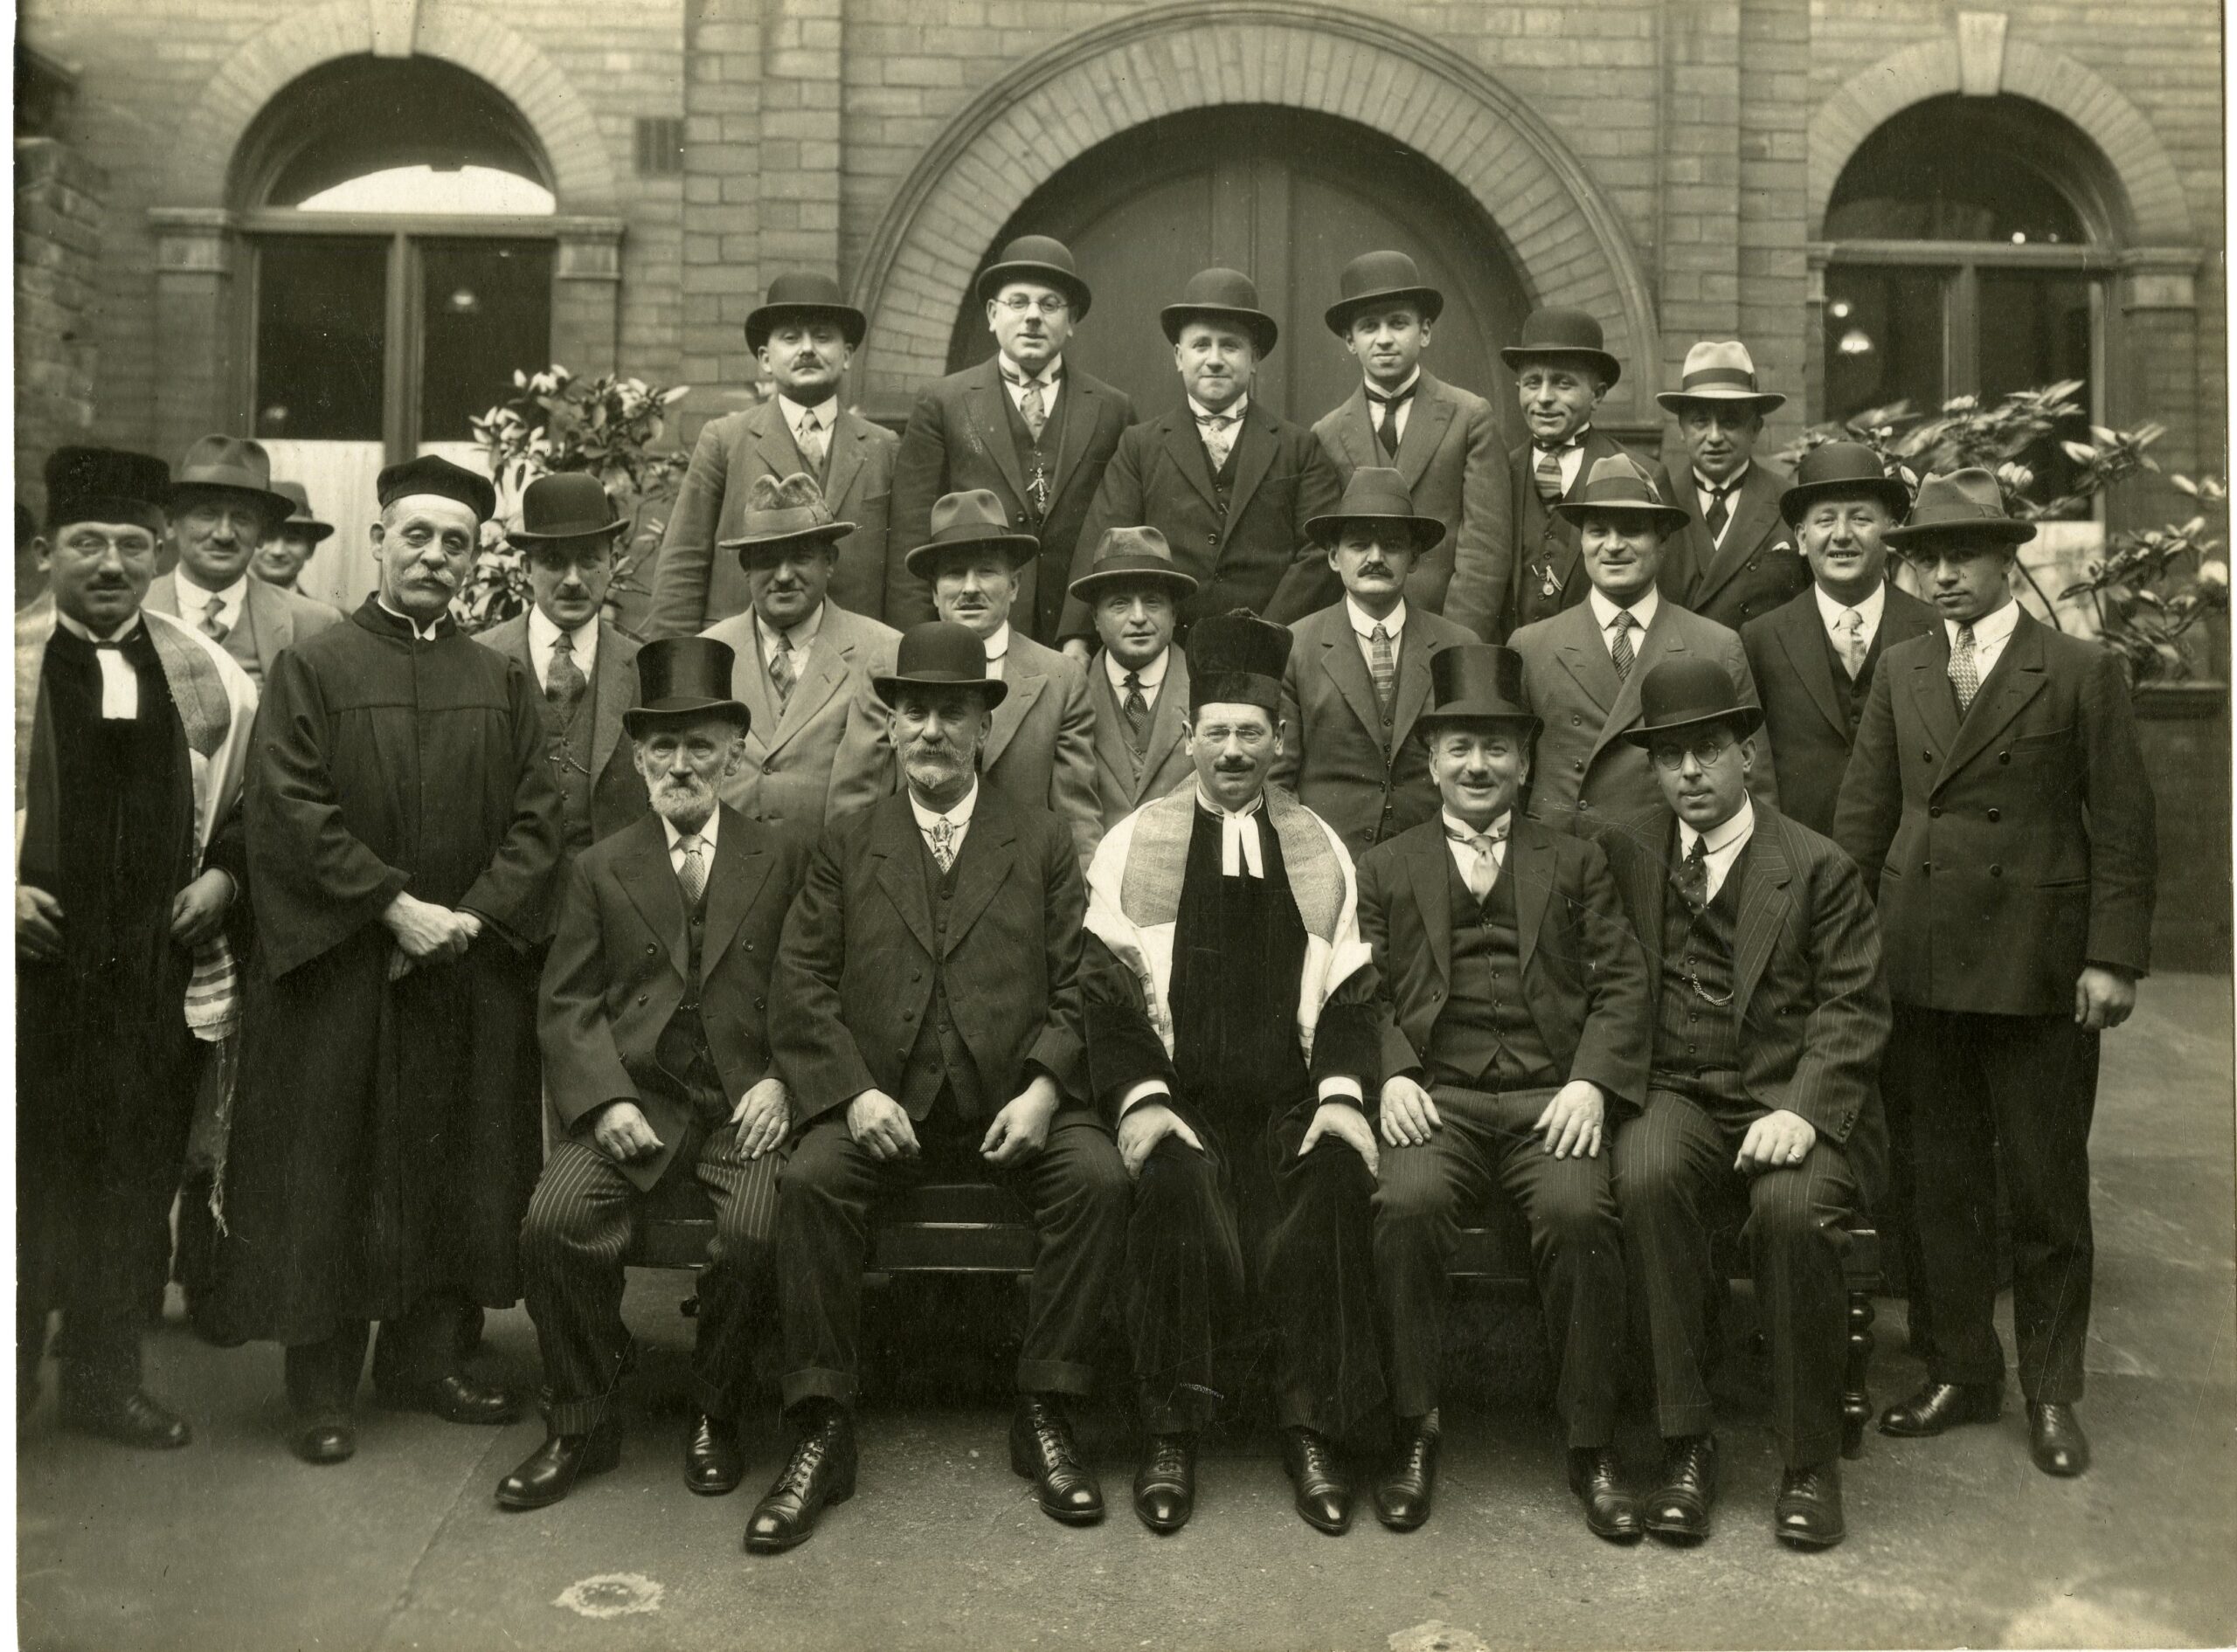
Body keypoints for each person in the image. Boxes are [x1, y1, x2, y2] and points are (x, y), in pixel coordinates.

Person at [748, 621, 1131, 1552]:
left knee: (1097, 1181)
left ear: (981, 730)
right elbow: (798, 984)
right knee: (809, 1182)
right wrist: (852, 1096)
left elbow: (1087, 978)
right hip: (884, 1106)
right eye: (912, 711)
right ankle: (821, 1425)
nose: (928, 730)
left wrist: (1045, 1088)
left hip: (1012, 1105)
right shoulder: (847, 841)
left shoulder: (1039, 840)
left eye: (949, 712)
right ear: (891, 726)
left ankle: (1044, 1407)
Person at [211, 454, 563, 1467]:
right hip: (345, 968)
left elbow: (541, 817)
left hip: (459, 966)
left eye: (456, 542)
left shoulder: (497, 674)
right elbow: (286, 806)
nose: (436, 556)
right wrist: (392, 907)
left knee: (451, 1157)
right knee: (332, 1163)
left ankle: (427, 1358)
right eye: (417, 534)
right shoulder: (315, 666)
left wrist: (467, 919)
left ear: (473, 558)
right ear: (379, 541)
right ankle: (321, 1384)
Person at [1834, 467, 2157, 1481]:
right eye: (1924, 556)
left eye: (1960, 554)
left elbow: (2125, 825)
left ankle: (2050, 1391)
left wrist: (2110, 957)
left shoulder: (2079, 668)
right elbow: (1863, 816)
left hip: (2035, 965)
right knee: (1936, 1183)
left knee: (2044, 1185)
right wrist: (1844, 950)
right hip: (1917, 956)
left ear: (2006, 557)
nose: (1940, 574)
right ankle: (1959, 1369)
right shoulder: (1903, 668)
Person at [1082, 612, 1384, 1537]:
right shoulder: (1135, 844)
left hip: (1289, 1101)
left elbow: (1350, 993)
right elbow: (1106, 993)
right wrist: (1145, 1100)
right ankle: (1171, 1430)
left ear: (1279, 743)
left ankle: (1311, 1430)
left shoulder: (1318, 846)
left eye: (1251, 732)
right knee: (1171, 1185)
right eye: (1215, 731)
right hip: (1186, 1100)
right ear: (1187, 741)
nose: (1233, 749)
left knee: (1333, 1178)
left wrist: (1337, 1097)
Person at [498, 638, 813, 1510]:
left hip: (741, 1106)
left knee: (755, 1234)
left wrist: (783, 1080)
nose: (682, 765)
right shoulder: (599, 865)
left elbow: (813, 983)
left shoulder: (780, 857)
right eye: (663, 748)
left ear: (734, 753)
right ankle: (582, 1417)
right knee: (551, 1222)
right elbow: (567, 1003)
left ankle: (715, 1409)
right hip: (636, 1102)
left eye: (701, 745)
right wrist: (600, 1101)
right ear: (638, 759)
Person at [1358, 644, 1649, 1538]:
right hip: (1436, 1098)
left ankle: (1588, 1442)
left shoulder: (1573, 859)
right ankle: (1415, 1425)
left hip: (1544, 1099)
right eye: (1457, 748)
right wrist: (1394, 1068)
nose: (1476, 766)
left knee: (1578, 1216)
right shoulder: (1387, 863)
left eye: (1495, 747)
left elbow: (1622, 982)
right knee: (1403, 1205)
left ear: (1524, 761)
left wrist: (1593, 1083)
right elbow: (1352, 984)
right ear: (1430, 762)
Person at [1598, 659, 1889, 1551]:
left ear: (1746, 756)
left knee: (1792, 1210)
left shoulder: (1815, 868)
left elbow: (1852, 1009)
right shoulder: (1628, 852)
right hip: (1678, 1090)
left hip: (1787, 1093)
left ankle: (1806, 1461)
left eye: (1708, 752)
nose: (1689, 773)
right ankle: (1687, 1442)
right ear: (1651, 769)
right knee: (1644, 1176)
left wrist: (1801, 1108)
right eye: (1671, 757)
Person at [15, 446, 258, 1448]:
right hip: (32, 983)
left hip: (151, 976)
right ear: (45, 551)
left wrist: (224, 875)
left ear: (157, 550)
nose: (110, 564)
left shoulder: (212, 679)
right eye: (86, 544)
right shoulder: (13, 661)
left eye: (128, 543)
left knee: (132, 1179)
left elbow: (249, 804)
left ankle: (108, 1380)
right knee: (23, 1182)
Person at [1059, 268, 1343, 642]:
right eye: (1200, 345)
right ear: (1179, 356)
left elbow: (1320, 552)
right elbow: (1103, 541)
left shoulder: (1299, 447)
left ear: (1254, 358)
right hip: (1165, 651)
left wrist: (1265, 633)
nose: (1214, 359)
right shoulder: (1140, 446)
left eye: (1230, 346)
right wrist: (1076, 638)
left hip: (1271, 650)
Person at [1510, 455, 1776, 833]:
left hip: (1671, 868)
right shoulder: (1532, 646)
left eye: (1632, 530)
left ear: (1662, 541)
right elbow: (1509, 783)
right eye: (1598, 531)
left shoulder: (1716, 645)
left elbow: (1755, 786)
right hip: (1564, 864)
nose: (1613, 546)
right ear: (1581, 541)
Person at [890, 237, 1134, 640]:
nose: (1033, 317)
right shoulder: (944, 402)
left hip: (1073, 639)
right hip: (968, 633)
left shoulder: (1113, 409)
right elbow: (911, 535)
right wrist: (921, 643)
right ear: (991, 314)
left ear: (1071, 321)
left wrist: (1081, 638)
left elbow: (1117, 534)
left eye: (1050, 304)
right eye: (1018, 303)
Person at [648, 274, 898, 634]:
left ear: (846, 356)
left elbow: (902, 579)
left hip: (852, 659)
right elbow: (683, 564)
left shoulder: (883, 446)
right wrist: (681, 672)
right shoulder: (725, 440)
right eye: (791, 338)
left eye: (823, 336)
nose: (808, 349)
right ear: (766, 359)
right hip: (740, 660)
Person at [1273, 467, 1475, 859]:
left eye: (1393, 546)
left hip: (1434, 859)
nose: (1376, 558)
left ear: (1414, 559)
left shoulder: (1456, 646)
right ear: (1334, 557)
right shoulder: (1296, 646)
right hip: (1327, 858)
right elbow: (1278, 781)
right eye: (1360, 545)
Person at [1310, 252, 1512, 639]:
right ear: (1350, 341)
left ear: (1425, 331)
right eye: (1369, 327)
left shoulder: (1469, 416)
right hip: (1361, 635)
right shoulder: (1327, 432)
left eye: (1398, 323)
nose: (1384, 338)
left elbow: (1485, 549)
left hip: (1446, 631)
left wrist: (1456, 641)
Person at [1739, 441, 1935, 840]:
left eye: (1861, 519)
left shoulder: (1933, 628)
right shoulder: (1760, 638)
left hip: (1910, 867)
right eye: (1825, 521)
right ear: (1800, 537)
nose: (1842, 536)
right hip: (1799, 861)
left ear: (1891, 532)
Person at [900, 488, 1101, 866]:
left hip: (1022, 885)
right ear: (933, 590)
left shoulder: (1061, 678)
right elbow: (860, 803)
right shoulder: (890, 668)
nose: (971, 588)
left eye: (987, 571)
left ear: (1015, 585)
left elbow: (1076, 815)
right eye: (955, 573)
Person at [473, 472, 649, 885]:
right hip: (505, 905)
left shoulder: (643, 665)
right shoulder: (480, 659)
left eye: (588, 559)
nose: (572, 579)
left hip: (613, 903)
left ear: (612, 563)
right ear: (526, 566)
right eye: (554, 561)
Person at [699, 473, 898, 831]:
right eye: (767, 559)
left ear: (830, 561)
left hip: (835, 874)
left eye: (801, 557)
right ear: (745, 567)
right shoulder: (709, 652)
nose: (785, 575)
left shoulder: (883, 653)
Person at [145, 435, 341, 686]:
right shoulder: (133, 607)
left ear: (261, 534)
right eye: (207, 515)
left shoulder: (314, 624)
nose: (224, 534)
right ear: (170, 523)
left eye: (242, 518)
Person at [1650, 341, 1808, 631]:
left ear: (1756, 429)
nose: (1714, 437)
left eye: (1730, 422)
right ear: (1682, 430)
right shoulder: (1655, 503)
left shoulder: (1789, 502)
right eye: (1700, 422)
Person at [1501, 308, 1640, 637]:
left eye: (1563, 383)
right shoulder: (1498, 471)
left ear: (1598, 394)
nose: (1544, 398)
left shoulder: (1639, 474)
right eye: (1533, 383)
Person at [1070, 525, 1198, 828]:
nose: (1138, 617)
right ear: (1095, 618)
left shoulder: (1205, 687)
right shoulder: (1070, 693)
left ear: (1175, 613)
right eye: (1120, 603)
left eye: (1152, 602)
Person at [250, 480, 335, 593]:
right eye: (268, 538)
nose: (278, 551)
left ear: (311, 549)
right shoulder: (222, 608)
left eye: (292, 540)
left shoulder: (324, 611)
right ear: (248, 542)